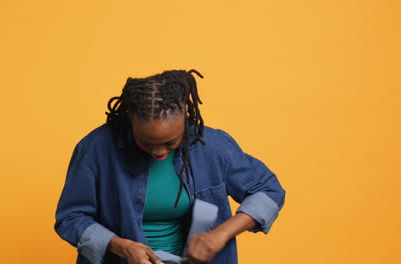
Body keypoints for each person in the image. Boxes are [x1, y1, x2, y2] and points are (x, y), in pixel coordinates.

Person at [54, 70, 286, 264]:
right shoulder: (96, 148)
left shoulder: (213, 147)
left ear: (185, 113)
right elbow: (71, 218)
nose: (159, 152)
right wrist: (120, 246)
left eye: (170, 142)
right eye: (146, 142)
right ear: (130, 118)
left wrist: (221, 234)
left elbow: (268, 190)